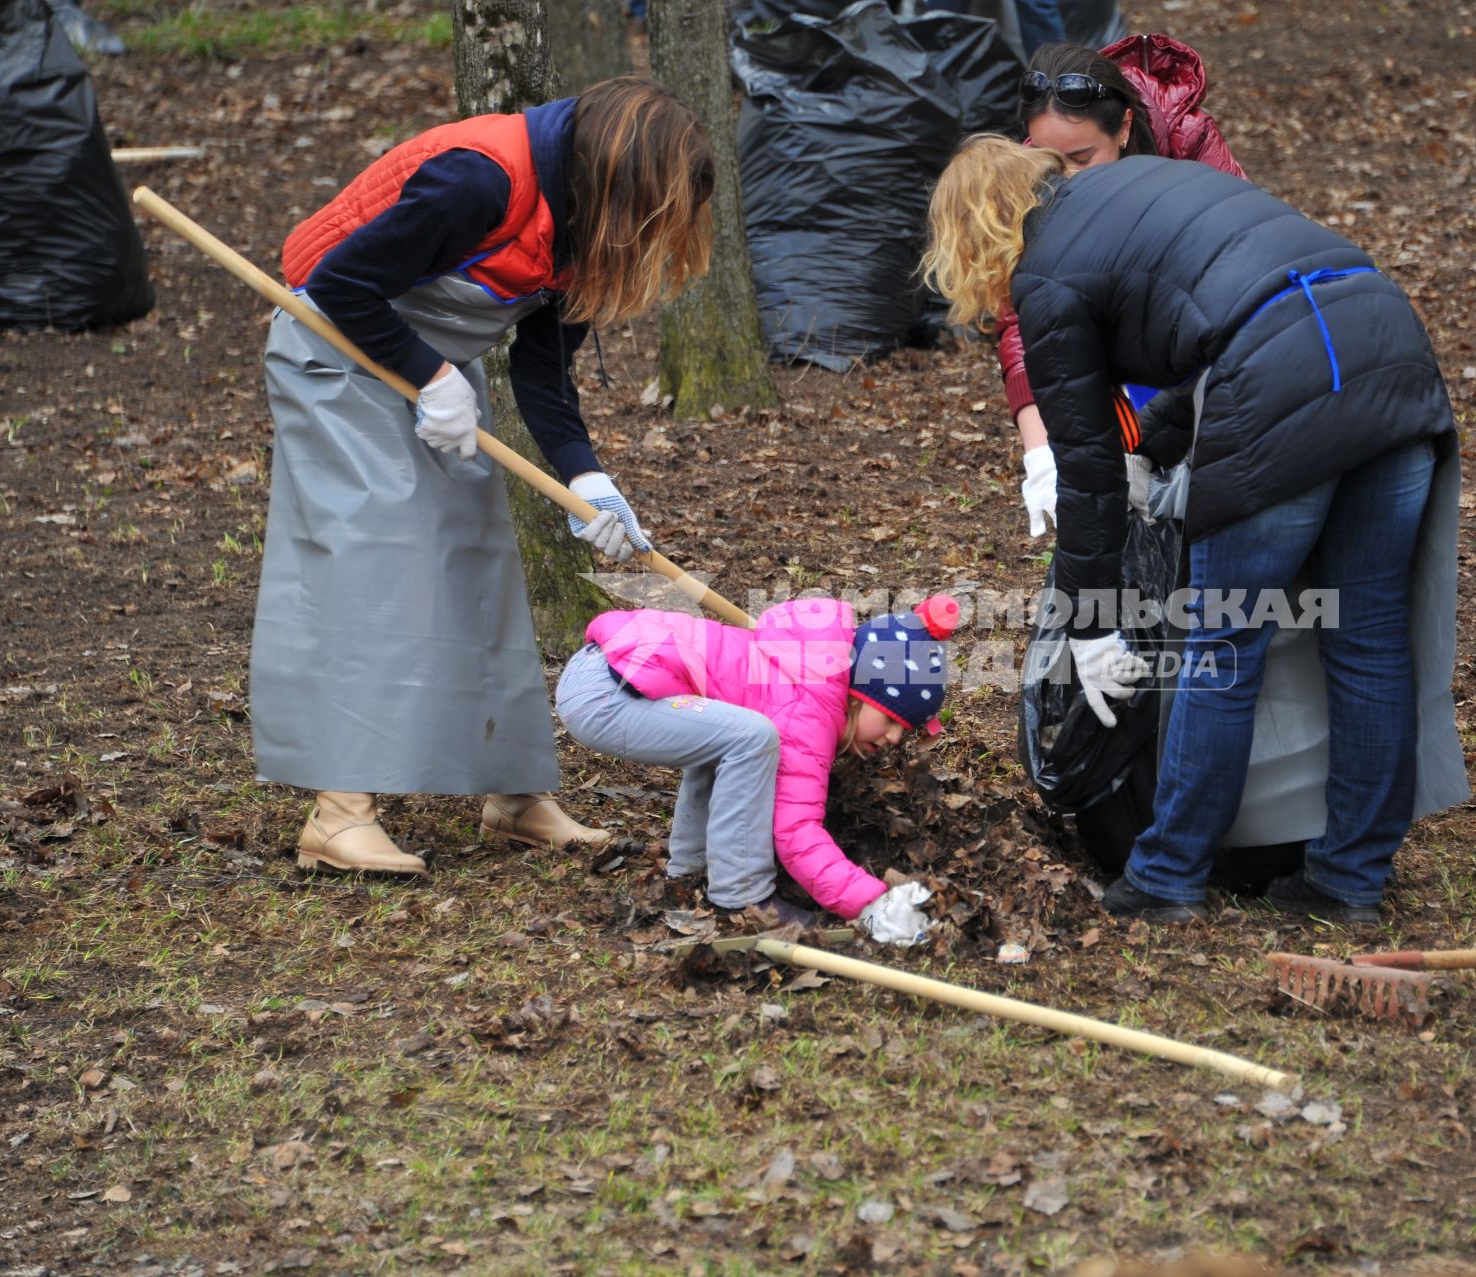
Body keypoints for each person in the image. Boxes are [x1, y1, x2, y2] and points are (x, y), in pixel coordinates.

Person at [924, 136, 1469, 926]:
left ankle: (1168, 872)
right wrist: (1152, 444)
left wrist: (1090, 623)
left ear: (977, 231)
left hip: (1289, 384)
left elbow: (1088, 476)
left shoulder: (1044, 274)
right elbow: (1227, 327)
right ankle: (1351, 877)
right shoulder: (1145, 185)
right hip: (1388, 347)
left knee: (1219, 643)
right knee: (1368, 636)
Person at [255, 77, 714, 875]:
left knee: (480, 562)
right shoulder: (480, 180)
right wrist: (433, 377)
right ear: (619, 184)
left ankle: (512, 792)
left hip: (431, 378)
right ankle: (339, 811)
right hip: (331, 353)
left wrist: (588, 483)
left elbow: (543, 369)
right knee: (374, 563)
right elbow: (340, 282)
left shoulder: (576, 221)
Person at [556, 594, 963, 944]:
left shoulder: (806, 677)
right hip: (607, 695)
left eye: (904, 730)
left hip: (600, 673)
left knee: (731, 735)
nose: (894, 738)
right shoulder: (808, 710)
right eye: (891, 719)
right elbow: (796, 831)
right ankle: (743, 896)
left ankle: (690, 870)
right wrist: (871, 902)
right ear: (858, 694)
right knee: (752, 736)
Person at [1003, 37, 1245, 539]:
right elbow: (1023, 318)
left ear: (1126, 127)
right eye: (1048, 160)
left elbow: (1239, 259)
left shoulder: (1187, 141)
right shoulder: (1032, 172)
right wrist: (1041, 453)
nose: (1064, 176)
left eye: (1082, 156)